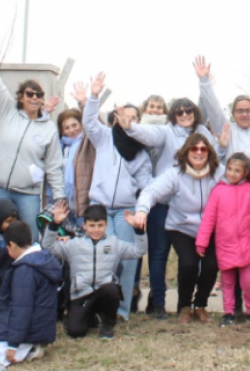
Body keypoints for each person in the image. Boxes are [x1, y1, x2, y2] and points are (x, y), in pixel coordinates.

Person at [119, 88, 217, 319]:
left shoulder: (202, 133)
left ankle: (197, 303)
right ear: (173, 114)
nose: (184, 114)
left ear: (195, 112)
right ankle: (159, 302)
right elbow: (148, 135)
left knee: (196, 260)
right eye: (179, 111)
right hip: (163, 203)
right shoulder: (166, 132)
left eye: (188, 110)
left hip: (195, 209)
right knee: (159, 253)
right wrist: (130, 126)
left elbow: (215, 159)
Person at [0, 23, 66, 242]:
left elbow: (54, 165)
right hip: (0, 189)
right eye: (30, 94)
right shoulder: (7, 111)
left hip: (29, 194)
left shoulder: (49, 128)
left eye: (38, 95)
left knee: (30, 238)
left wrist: (59, 196)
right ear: (21, 96)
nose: (34, 98)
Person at [74, 73, 152, 322]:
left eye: (133, 118)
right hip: (100, 208)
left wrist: (141, 211)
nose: (128, 121)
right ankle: (94, 307)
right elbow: (89, 123)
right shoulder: (105, 137)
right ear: (116, 119)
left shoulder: (140, 152)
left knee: (128, 261)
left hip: (125, 211)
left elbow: (146, 186)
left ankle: (120, 311)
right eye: (123, 117)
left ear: (138, 122)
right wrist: (94, 97)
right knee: (99, 258)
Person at [133, 133, 228, 325]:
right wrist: (142, 211)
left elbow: (239, 188)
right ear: (186, 152)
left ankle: (200, 305)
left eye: (203, 149)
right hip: (180, 227)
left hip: (209, 227)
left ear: (209, 152)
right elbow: (150, 191)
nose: (199, 153)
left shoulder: (219, 172)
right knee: (188, 264)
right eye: (194, 149)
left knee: (211, 265)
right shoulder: (175, 173)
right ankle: (184, 307)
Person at [42, 202, 147, 339]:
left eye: (100, 226)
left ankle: (109, 324)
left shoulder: (114, 243)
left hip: (103, 292)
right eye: (92, 226)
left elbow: (139, 251)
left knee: (112, 289)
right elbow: (48, 247)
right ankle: (92, 318)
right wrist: (54, 224)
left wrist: (139, 231)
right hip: (81, 295)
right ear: (84, 225)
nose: (96, 230)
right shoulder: (74, 244)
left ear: (106, 225)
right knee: (75, 332)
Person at [195, 153, 250, 327]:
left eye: (237, 171)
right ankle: (229, 312)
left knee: (249, 281)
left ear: (245, 173)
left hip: (246, 243)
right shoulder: (218, 191)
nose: (232, 173)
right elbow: (209, 219)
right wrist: (202, 242)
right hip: (225, 244)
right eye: (229, 169)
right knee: (227, 282)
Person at [0, 221, 60, 371]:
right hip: (40, 328)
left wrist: (13, 344)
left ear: (12, 245)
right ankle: (32, 348)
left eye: (7, 247)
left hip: (28, 332)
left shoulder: (24, 270)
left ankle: (23, 351)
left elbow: (22, 309)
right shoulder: (43, 260)